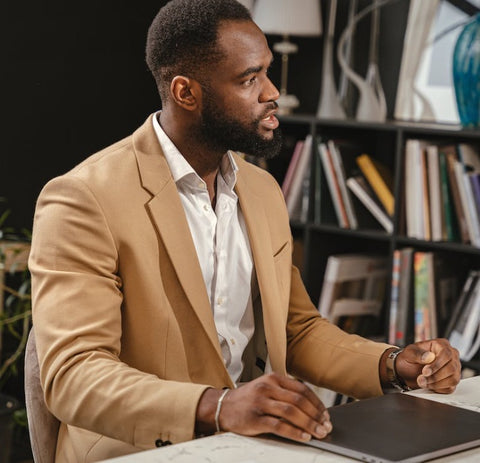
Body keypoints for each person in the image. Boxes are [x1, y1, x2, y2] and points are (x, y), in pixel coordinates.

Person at [29, 0, 461, 461]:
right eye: (248, 79)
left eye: (267, 72)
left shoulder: (262, 191)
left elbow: (295, 331)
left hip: (245, 446)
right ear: (186, 92)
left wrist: (393, 364)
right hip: (134, 452)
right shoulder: (82, 199)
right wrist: (218, 407)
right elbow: (74, 375)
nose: (272, 92)